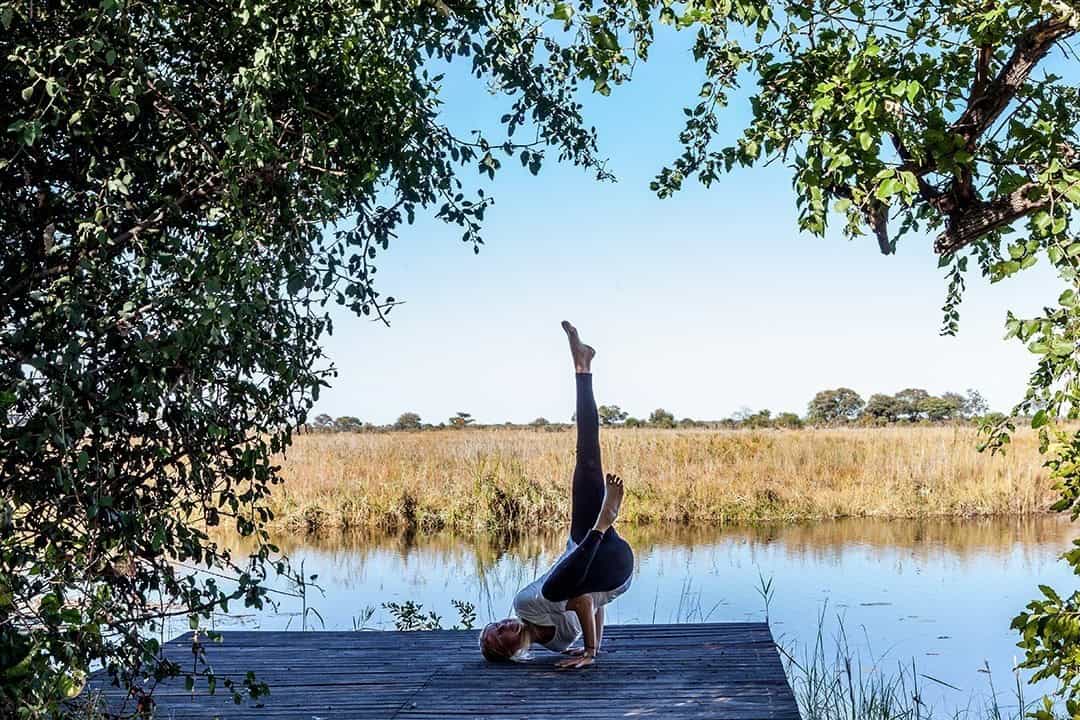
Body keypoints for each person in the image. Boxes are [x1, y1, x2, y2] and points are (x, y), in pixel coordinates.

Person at [479, 321, 634, 669]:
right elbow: (587, 602)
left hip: (594, 553)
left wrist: (592, 649)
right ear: (512, 652)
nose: (503, 625)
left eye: (495, 625)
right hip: (612, 567)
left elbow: (589, 601)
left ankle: (583, 367)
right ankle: (603, 523)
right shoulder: (561, 643)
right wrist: (591, 650)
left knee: (588, 457)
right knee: (560, 590)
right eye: (498, 636)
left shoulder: (523, 605)